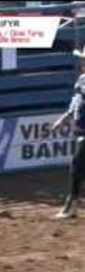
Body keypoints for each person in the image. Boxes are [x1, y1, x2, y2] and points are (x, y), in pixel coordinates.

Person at [52, 45, 85, 219]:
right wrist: (63, 119)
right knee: (77, 166)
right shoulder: (81, 80)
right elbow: (76, 104)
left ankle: (71, 204)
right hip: (81, 129)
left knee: (77, 165)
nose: (82, 62)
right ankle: (72, 203)